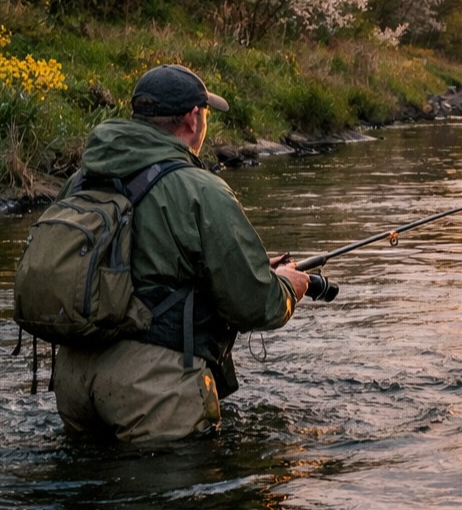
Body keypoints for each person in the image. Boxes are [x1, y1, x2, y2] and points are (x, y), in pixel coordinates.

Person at [51, 63, 317, 443]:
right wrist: (288, 286)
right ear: (193, 119)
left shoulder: (80, 180)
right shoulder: (200, 189)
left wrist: (251, 264)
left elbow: (133, 271)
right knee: (187, 500)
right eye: (205, 114)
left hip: (73, 381)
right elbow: (255, 303)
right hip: (151, 387)